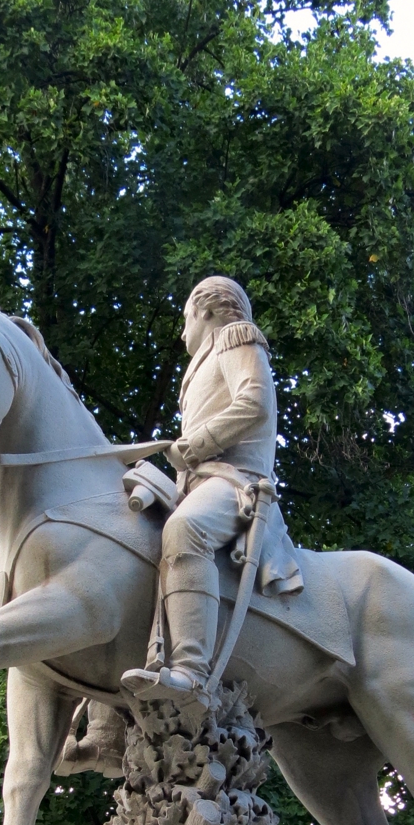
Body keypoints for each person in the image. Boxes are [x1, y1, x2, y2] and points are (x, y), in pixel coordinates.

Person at [122, 275, 297, 703]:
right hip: (197, 483)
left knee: (186, 530)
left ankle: (191, 672)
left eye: (185, 318)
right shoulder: (199, 363)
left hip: (235, 481)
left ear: (205, 310)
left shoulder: (235, 338)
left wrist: (195, 445)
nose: (183, 331)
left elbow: (253, 403)